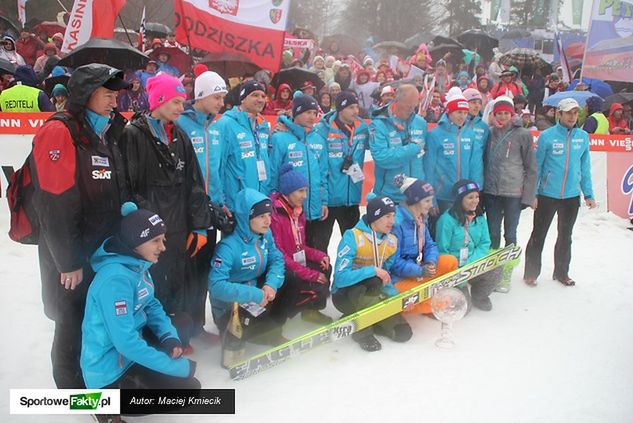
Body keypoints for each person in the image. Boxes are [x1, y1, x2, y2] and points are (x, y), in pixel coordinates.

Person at [29, 64, 130, 388]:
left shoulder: (101, 130)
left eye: (116, 95)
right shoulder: (61, 131)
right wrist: (68, 260)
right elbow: (55, 202)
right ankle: (70, 388)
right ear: (85, 94)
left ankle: (94, 375)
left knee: (92, 314)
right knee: (71, 318)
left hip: (98, 247)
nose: (114, 102)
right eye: (107, 94)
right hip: (70, 252)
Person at [119, 73, 211, 326]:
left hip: (179, 227)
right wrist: (147, 224)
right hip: (150, 231)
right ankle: (151, 337)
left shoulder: (180, 136)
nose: (182, 108)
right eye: (176, 102)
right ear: (158, 100)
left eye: (183, 102)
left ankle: (175, 335)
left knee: (178, 282)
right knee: (152, 285)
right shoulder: (134, 135)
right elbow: (129, 185)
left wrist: (200, 224)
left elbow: (194, 183)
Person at [81, 202, 199, 390]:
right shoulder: (115, 280)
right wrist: (177, 368)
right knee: (188, 388)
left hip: (132, 347)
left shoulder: (137, 264)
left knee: (182, 322)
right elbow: (125, 343)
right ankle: (102, 406)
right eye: (156, 241)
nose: (163, 247)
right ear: (136, 242)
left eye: (163, 240)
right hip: (111, 370)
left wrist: (168, 336)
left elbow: (151, 304)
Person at [176, 70, 232, 338]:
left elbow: (218, 170)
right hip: (187, 212)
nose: (221, 103)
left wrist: (221, 203)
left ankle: (197, 325)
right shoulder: (182, 124)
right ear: (201, 96)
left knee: (204, 272)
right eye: (217, 97)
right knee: (186, 273)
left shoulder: (219, 126)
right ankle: (183, 330)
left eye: (223, 97)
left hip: (211, 211)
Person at [524, 98, 597, 287]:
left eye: (575, 113)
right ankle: (531, 273)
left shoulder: (582, 137)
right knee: (538, 234)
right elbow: (537, 167)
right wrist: (532, 194)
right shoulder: (547, 136)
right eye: (568, 113)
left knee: (566, 235)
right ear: (560, 114)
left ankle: (562, 273)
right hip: (547, 194)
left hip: (571, 196)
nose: (572, 116)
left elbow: (585, 167)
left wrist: (588, 194)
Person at [209, 189, 286, 366]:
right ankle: (230, 332)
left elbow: (277, 260)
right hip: (230, 308)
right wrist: (253, 294)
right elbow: (216, 286)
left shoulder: (265, 235)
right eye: (261, 216)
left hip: (257, 295)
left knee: (291, 280)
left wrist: (271, 285)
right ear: (246, 218)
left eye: (268, 214)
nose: (268, 220)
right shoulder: (228, 247)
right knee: (267, 331)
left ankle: (267, 326)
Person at [333, 195, 412, 351]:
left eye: (393, 216)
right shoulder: (353, 236)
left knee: (403, 333)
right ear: (375, 217)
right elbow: (340, 278)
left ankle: (359, 318)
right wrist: (372, 270)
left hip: (373, 294)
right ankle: (362, 331)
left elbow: (386, 276)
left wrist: (397, 299)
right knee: (374, 280)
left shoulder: (391, 241)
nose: (392, 221)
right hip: (344, 295)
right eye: (387, 216)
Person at [483, 97, 537, 292]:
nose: (503, 116)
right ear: (494, 114)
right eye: (499, 113)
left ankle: (506, 273)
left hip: (513, 192)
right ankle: (491, 272)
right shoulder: (488, 133)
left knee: (510, 233)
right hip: (491, 191)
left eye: (506, 113)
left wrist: (528, 196)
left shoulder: (522, 134)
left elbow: (531, 167)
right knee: (492, 234)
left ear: (512, 114)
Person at [269, 164, 333, 325]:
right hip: (281, 266)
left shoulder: (297, 211)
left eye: (306, 190)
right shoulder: (275, 214)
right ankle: (278, 319)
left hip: (294, 260)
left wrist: (320, 255)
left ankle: (311, 310)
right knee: (300, 279)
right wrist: (309, 274)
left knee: (325, 266)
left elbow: (300, 246)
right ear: (288, 192)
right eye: (300, 191)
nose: (305, 195)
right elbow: (278, 254)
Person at [311, 91, 369, 253]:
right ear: (340, 109)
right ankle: (320, 278)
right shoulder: (323, 130)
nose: (356, 111)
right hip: (327, 202)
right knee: (320, 248)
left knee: (354, 249)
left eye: (357, 107)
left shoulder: (362, 128)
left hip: (351, 201)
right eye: (351, 107)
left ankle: (351, 278)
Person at [391, 177, 458, 314]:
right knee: (438, 304)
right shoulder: (396, 223)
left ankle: (430, 294)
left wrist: (430, 262)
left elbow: (430, 245)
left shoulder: (421, 218)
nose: (431, 204)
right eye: (427, 201)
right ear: (415, 200)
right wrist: (419, 270)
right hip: (398, 278)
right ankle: (424, 299)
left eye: (431, 200)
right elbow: (393, 263)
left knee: (450, 261)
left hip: (419, 270)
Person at [269, 94, 328, 247]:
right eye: (308, 112)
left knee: (318, 256)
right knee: (293, 256)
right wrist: (273, 205)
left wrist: (324, 201)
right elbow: (273, 173)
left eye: (315, 113)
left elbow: (323, 175)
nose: (312, 116)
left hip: (315, 211)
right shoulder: (279, 138)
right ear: (296, 113)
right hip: (288, 212)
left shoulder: (318, 139)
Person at [436, 180, 501, 311]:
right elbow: (442, 250)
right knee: (464, 310)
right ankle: (459, 290)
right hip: (454, 269)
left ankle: (479, 296)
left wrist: (470, 265)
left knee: (496, 270)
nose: (475, 201)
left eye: (477, 196)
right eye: (470, 197)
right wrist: (458, 271)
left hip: (472, 264)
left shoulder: (480, 218)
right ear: (460, 199)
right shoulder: (446, 220)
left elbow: (484, 243)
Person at [425, 87, 482, 233]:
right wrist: (431, 198)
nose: (462, 116)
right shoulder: (435, 135)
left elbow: (475, 166)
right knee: (438, 233)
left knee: (459, 234)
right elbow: (429, 168)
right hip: (442, 195)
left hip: (464, 195)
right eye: (458, 112)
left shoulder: (470, 135)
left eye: (464, 113)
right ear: (449, 112)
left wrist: (475, 193)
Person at [210, 80, 272, 212]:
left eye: (262, 96)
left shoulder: (262, 125)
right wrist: (220, 200)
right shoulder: (225, 124)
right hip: (236, 203)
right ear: (243, 98)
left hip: (260, 200)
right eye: (255, 95)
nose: (260, 99)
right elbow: (218, 165)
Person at [370, 84, 427, 202]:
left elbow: (427, 159)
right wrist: (412, 149)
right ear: (396, 100)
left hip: (417, 196)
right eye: (408, 107)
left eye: (414, 106)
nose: (411, 110)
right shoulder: (379, 124)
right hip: (390, 196)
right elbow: (381, 157)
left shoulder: (420, 123)